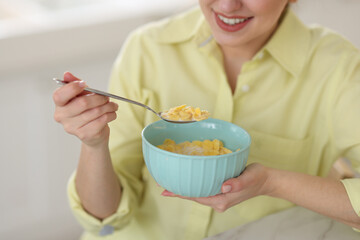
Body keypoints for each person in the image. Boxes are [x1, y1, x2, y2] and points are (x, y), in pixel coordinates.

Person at [52, 0, 360, 239]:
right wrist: (94, 144)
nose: (226, 5)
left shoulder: (339, 69)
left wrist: (272, 183)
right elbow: (103, 217)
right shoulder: (148, 49)